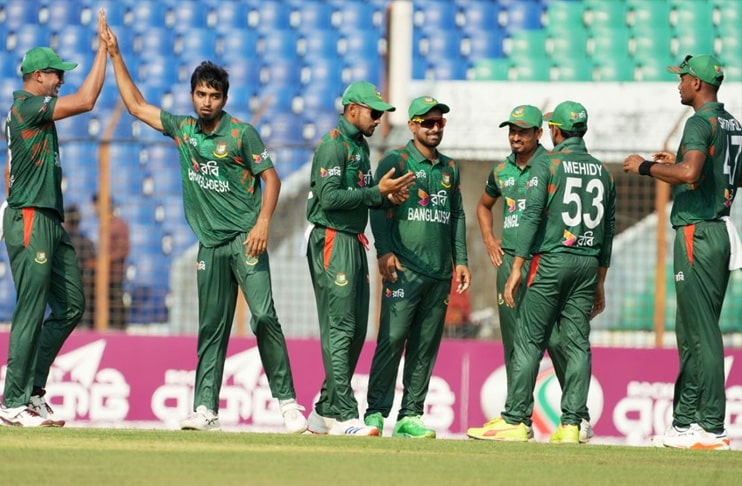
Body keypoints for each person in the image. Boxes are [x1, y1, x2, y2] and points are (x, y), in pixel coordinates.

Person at [103, 23, 308, 433]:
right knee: (211, 328)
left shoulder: (241, 134)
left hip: (246, 240)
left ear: (224, 99)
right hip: (209, 246)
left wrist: (263, 223)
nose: (207, 102)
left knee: (263, 316)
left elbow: (272, 179)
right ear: (192, 95)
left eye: (214, 96)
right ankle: (205, 408)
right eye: (201, 94)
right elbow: (137, 106)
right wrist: (115, 56)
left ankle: (287, 403)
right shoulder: (184, 130)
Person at [469, 101, 615, 443]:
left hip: (547, 261)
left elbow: (533, 215)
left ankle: (516, 419)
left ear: (552, 131)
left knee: (528, 340)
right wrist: (601, 280)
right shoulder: (603, 171)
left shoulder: (547, 164)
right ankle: (572, 424)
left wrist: (517, 267)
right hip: (587, 262)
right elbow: (607, 230)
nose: (515, 136)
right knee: (577, 344)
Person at [624, 54, 741, 450]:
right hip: (717, 230)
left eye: (683, 78)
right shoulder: (731, 123)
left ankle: (712, 427)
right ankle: (684, 423)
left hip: (698, 232)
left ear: (698, 84)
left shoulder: (698, 122)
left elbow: (690, 174)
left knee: (701, 331)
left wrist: (644, 167)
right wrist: (677, 163)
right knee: (691, 331)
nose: (679, 84)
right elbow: (721, 174)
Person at [0, 11, 109, 427]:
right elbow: (87, 100)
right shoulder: (28, 106)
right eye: (57, 74)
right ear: (38, 76)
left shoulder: (33, 111)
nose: (61, 80)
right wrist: (104, 51)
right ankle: (12, 402)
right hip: (31, 217)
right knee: (31, 308)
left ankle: (32, 389)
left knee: (71, 306)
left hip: (48, 219)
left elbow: (10, 167)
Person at [305, 81, 415, 436]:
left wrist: (385, 197)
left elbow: (360, 195)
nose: (378, 120)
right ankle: (344, 415)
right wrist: (375, 192)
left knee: (356, 331)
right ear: (352, 109)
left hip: (353, 240)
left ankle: (324, 410)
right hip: (332, 238)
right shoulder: (333, 146)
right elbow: (330, 198)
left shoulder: (359, 146)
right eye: (373, 112)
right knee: (340, 328)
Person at [362, 96, 470, 438]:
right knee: (392, 338)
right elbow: (378, 205)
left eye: (440, 122)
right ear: (412, 125)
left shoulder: (450, 168)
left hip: (439, 272)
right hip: (404, 269)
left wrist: (461, 260)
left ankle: (410, 416)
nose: (435, 128)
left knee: (425, 346)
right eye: (428, 122)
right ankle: (375, 413)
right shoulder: (396, 160)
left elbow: (457, 215)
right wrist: (384, 251)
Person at [92, 193, 130, 330]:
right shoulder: (103, 225)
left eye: (97, 205)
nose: (94, 209)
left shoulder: (118, 225)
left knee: (115, 302)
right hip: (102, 274)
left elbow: (123, 250)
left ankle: (121, 331)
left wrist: (104, 260)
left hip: (114, 273)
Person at [63, 205, 96, 329]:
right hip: (82, 284)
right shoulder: (85, 241)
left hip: (64, 283)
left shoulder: (60, 239)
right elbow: (92, 262)